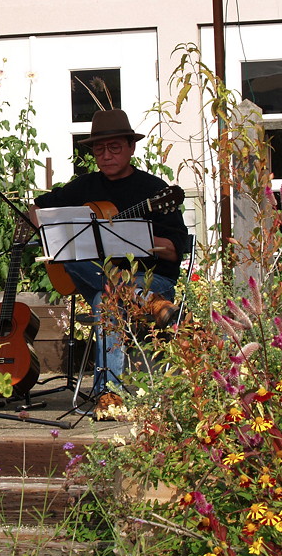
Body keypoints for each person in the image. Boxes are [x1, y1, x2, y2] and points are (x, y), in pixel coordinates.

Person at [31, 109, 189, 399]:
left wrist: (136, 240)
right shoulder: (85, 186)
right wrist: (49, 238)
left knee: (106, 300)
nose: (106, 155)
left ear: (131, 147)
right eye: (99, 149)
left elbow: (175, 251)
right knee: (68, 258)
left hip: (152, 279)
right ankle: (147, 304)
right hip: (105, 278)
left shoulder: (155, 191)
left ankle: (109, 395)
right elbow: (37, 208)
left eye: (114, 147)